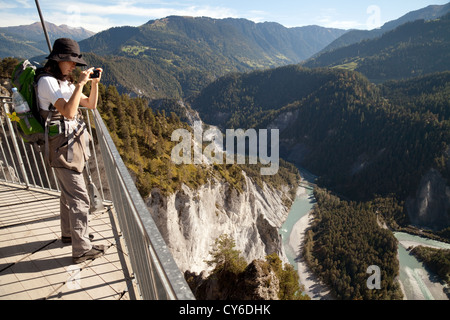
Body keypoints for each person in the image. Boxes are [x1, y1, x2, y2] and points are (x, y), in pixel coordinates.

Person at [36, 38, 105, 264]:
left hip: (71, 146)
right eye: (71, 61)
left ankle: (69, 234)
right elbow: (67, 112)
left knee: (69, 194)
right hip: (61, 147)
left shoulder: (63, 82)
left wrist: (93, 84)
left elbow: (90, 105)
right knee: (80, 198)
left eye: (77, 62)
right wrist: (80, 85)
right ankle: (81, 249)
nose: (75, 66)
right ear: (58, 60)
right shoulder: (47, 82)